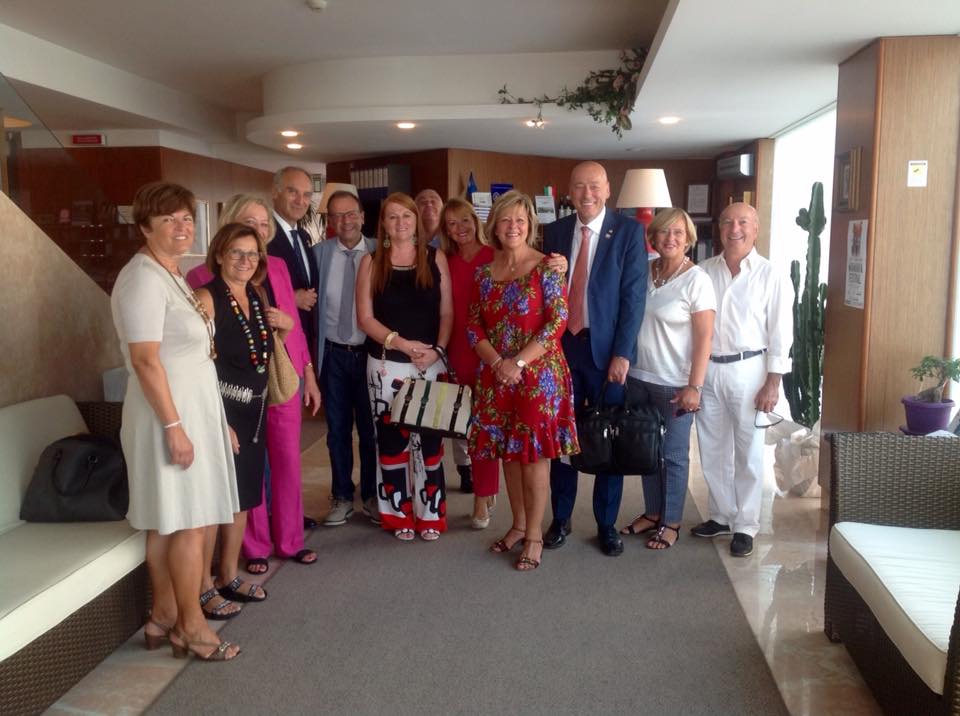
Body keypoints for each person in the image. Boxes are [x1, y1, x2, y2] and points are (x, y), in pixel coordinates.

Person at [111, 182, 240, 661]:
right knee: (188, 522)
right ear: (145, 227)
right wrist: (174, 427)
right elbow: (145, 360)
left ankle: (162, 616)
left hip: (189, 412)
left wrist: (210, 422)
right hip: (166, 417)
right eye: (169, 219)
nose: (182, 227)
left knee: (169, 523)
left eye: (187, 218)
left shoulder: (172, 274)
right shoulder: (142, 279)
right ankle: (193, 628)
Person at [187, 194, 321, 574]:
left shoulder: (275, 267)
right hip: (234, 391)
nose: (260, 231)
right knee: (249, 468)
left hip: (280, 378)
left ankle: (291, 540)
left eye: (264, 225)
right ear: (230, 223)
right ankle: (256, 546)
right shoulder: (200, 277)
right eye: (251, 222)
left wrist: (309, 373)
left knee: (288, 462)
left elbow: (294, 329)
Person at [468, 191, 578, 571]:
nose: (513, 226)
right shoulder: (483, 273)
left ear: (530, 225)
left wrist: (517, 362)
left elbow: (557, 322)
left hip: (538, 376)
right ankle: (516, 525)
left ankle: (534, 535)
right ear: (494, 226)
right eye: (506, 220)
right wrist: (498, 363)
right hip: (497, 375)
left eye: (520, 220)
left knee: (533, 458)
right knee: (508, 454)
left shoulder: (548, 267)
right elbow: (473, 325)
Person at [542, 161, 647, 557]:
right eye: (579, 186)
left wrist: (623, 353)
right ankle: (561, 517)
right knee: (561, 437)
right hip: (562, 349)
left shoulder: (629, 232)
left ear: (607, 190)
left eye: (594, 186)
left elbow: (634, 299)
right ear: (570, 191)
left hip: (606, 353)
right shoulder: (554, 231)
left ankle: (606, 523)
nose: (587, 194)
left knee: (608, 437)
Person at [692, 202, 793, 558]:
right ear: (719, 228)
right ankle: (721, 515)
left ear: (756, 229)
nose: (735, 229)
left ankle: (746, 525)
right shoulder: (704, 271)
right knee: (712, 448)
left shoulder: (771, 274)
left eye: (743, 222)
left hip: (750, 369)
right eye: (727, 222)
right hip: (709, 369)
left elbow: (781, 332)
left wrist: (773, 382)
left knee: (748, 452)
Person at [191, 224, 279, 614]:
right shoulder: (206, 298)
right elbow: (195, 364)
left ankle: (228, 575)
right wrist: (217, 421)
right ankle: (203, 587)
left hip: (253, 413)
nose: (245, 260)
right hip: (220, 413)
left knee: (242, 497)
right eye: (236, 253)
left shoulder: (256, 295)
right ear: (219, 255)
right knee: (215, 502)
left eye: (252, 253)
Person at [357, 192, 453, 541]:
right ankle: (398, 514)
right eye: (393, 216)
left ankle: (431, 514)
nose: (400, 223)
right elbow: (365, 319)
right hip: (387, 366)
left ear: (416, 220)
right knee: (391, 442)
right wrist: (401, 344)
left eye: (407, 216)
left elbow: (447, 312)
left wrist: (437, 350)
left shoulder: (435, 257)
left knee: (430, 442)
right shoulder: (371, 262)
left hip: (430, 363)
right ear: (383, 223)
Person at [618, 208, 716, 549]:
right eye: (663, 232)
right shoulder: (645, 270)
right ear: (652, 237)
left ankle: (671, 520)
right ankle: (652, 513)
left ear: (688, 239)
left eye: (678, 233)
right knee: (647, 451)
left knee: (672, 455)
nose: (670, 238)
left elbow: (705, 338)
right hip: (638, 378)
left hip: (675, 383)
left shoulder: (697, 280)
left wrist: (695, 386)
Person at [311, 190, 379, 526]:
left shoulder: (381, 251)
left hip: (370, 354)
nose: (344, 221)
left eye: (350, 214)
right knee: (337, 430)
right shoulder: (318, 254)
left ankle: (372, 495)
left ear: (363, 217)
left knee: (370, 430)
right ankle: (341, 495)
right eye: (336, 216)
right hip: (333, 354)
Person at [439, 197, 497, 524]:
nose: (460, 228)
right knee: (465, 428)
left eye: (465, 220)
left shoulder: (495, 256)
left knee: (484, 429)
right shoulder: (445, 262)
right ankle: (485, 489)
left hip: (488, 352)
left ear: (476, 221)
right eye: (452, 223)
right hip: (457, 350)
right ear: (446, 231)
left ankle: (482, 496)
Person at [269, 166, 320, 363]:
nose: (300, 201)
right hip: (278, 343)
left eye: (306, 195)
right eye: (292, 192)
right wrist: (291, 298)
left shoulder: (304, 237)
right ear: (275, 192)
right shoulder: (263, 235)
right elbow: (248, 289)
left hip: (304, 342)